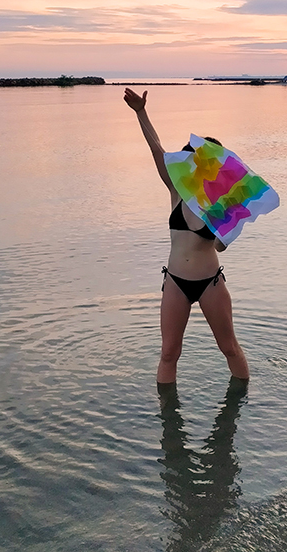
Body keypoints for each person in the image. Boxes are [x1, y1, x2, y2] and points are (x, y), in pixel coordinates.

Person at [124, 88, 250, 385]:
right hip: (176, 282)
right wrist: (141, 112)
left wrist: (221, 218)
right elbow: (157, 150)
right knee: (169, 354)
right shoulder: (176, 190)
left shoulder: (222, 203)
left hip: (210, 282)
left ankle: (241, 407)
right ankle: (168, 425)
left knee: (229, 347)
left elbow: (220, 245)